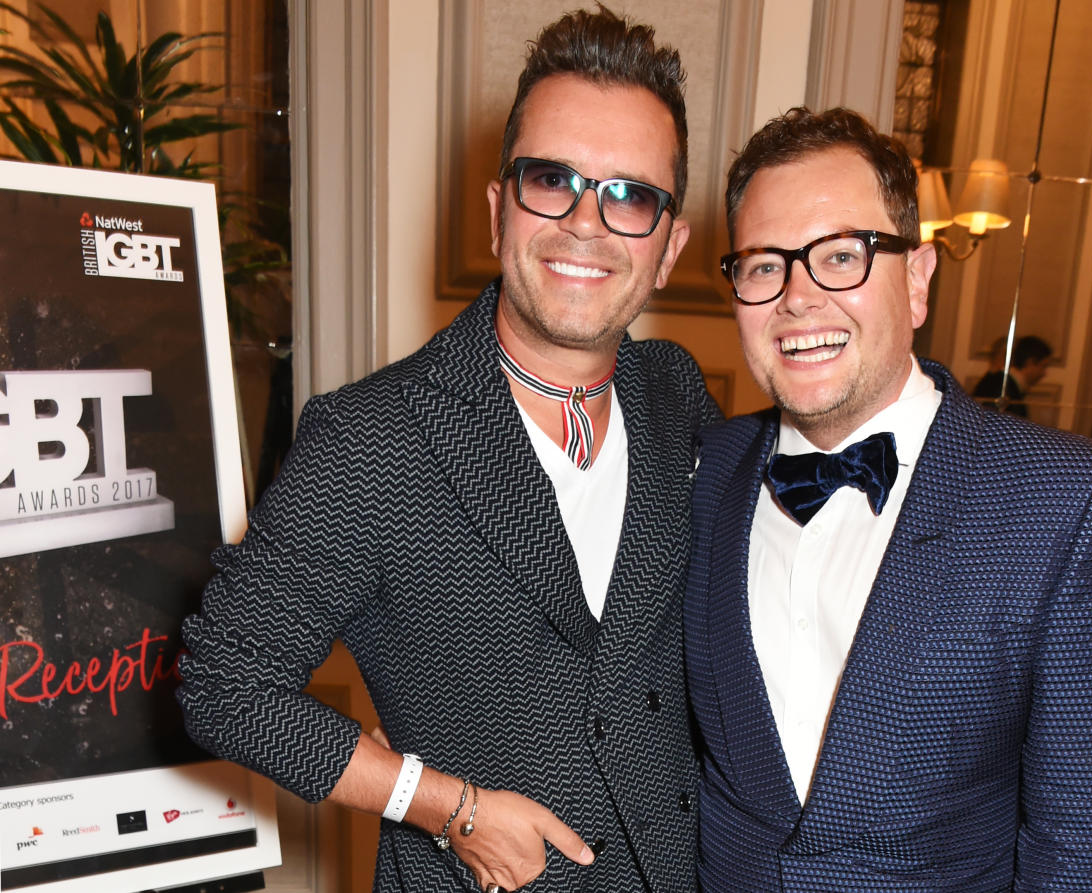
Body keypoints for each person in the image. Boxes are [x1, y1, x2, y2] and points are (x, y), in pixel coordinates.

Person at [177, 8, 719, 892]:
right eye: (552, 178)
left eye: (630, 195)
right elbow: (227, 685)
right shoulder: (369, 439)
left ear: (669, 249)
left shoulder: (674, 393)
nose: (586, 221)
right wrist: (442, 804)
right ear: (498, 210)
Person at [684, 107, 1092, 890]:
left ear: (917, 278)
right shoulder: (704, 468)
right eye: (765, 265)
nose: (798, 298)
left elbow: (1078, 856)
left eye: (841, 255)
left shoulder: (1069, 503)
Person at [972, 333, 1052, 416]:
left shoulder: (1004, 383)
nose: (1044, 373)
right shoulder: (1004, 388)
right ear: (1030, 362)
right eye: (1043, 366)